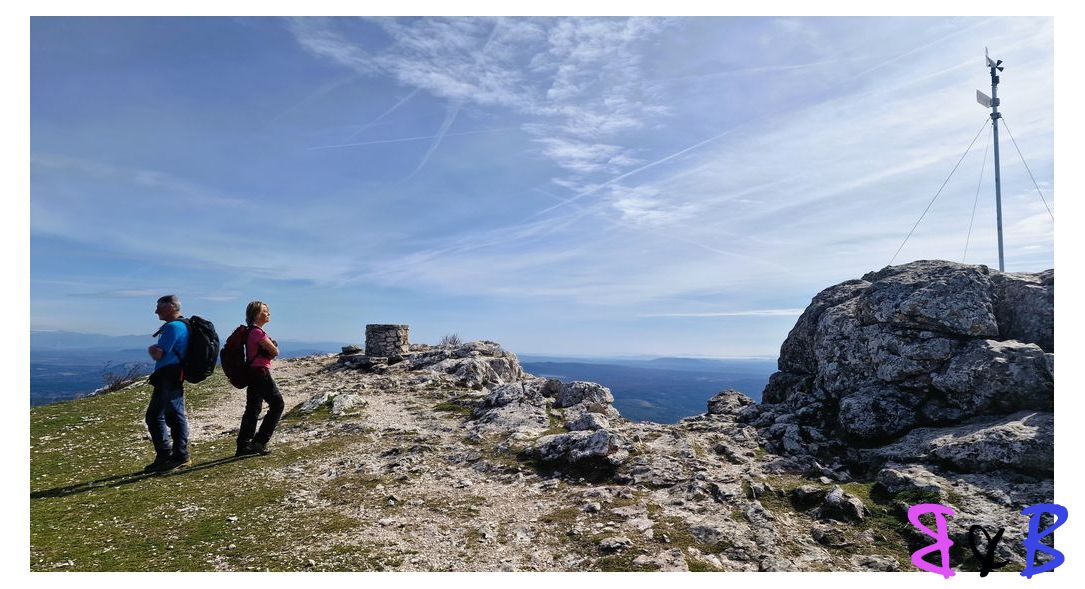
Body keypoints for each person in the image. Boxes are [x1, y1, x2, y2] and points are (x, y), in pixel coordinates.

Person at [144, 295, 191, 472]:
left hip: (168, 375)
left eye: (159, 307)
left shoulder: (172, 327)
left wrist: (152, 349)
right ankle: (177, 456)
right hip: (175, 373)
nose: (156, 311)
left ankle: (170, 456)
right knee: (174, 415)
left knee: (155, 416)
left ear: (171, 307)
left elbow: (159, 354)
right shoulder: (183, 325)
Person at [236, 300, 285, 457]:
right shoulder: (258, 333)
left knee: (253, 409)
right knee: (277, 404)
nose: (268, 313)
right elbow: (275, 351)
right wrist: (274, 347)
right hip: (261, 372)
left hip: (252, 372)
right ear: (256, 314)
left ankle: (244, 445)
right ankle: (259, 442)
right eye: (265, 311)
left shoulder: (250, 331)